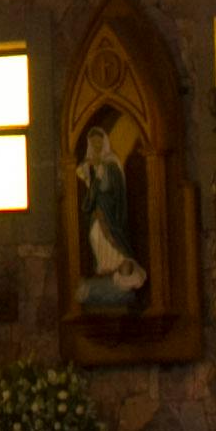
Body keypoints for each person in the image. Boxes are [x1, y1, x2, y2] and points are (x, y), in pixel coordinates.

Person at [77, 121, 147, 310]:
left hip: (110, 212)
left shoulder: (111, 162)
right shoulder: (91, 162)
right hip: (96, 212)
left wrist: (102, 170)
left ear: (104, 142)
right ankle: (103, 269)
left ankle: (117, 270)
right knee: (95, 236)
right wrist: (90, 170)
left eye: (99, 142)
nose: (97, 145)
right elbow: (87, 183)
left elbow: (112, 187)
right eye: (93, 143)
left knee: (111, 241)